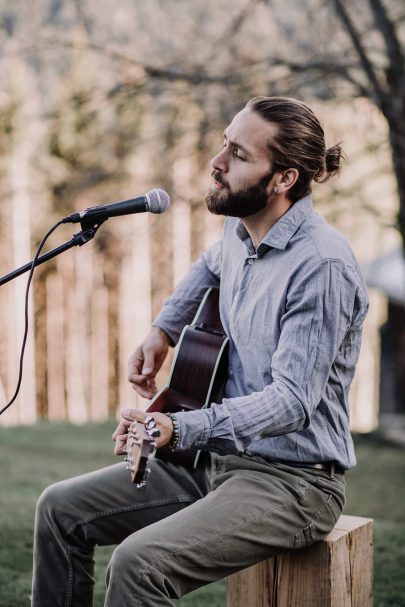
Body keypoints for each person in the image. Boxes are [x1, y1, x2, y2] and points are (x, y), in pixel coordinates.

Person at [32, 96, 368, 607]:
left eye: (238, 153)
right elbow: (210, 266)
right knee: (59, 510)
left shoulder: (321, 267)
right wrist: (163, 330)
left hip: (293, 485)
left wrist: (180, 427)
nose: (218, 161)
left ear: (283, 179)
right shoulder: (240, 227)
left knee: (139, 564)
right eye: (223, 143)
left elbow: (292, 402)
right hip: (215, 461)